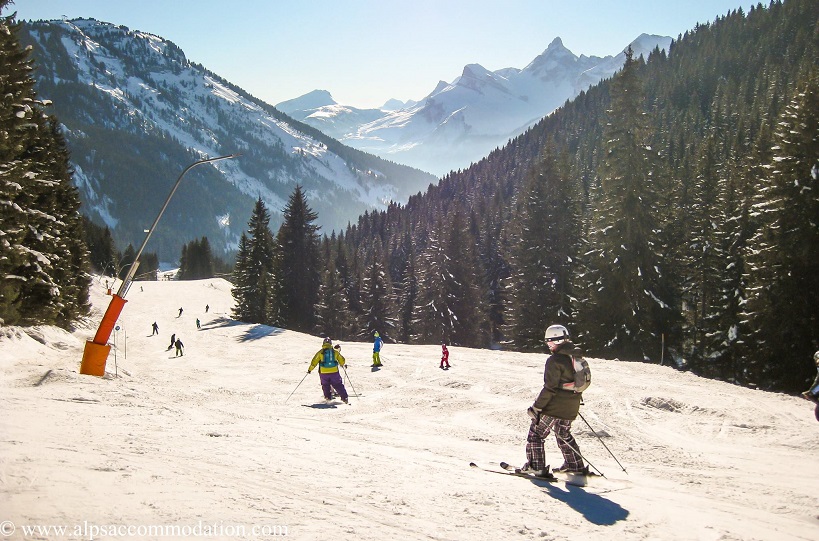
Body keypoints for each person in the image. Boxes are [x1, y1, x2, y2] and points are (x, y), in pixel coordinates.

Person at [521, 324, 588, 477]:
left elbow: (549, 388)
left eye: (549, 342)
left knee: (536, 434)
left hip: (555, 405)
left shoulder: (554, 360)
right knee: (563, 433)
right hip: (572, 404)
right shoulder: (576, 357)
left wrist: (536, 407)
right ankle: (575, 466)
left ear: (557, 341)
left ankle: (536, 466)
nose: (548, 346)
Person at [308, 338, 349, 403]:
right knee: (338, 384)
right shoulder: (335, 352)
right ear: (330, 343)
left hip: (323, 372)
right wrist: (342, 364)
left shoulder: (320, 352)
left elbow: (314, 361)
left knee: (325, 385)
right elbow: (342, 360)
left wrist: (310, 369)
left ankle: (327, 398)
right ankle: (344, 398)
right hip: (334, 371)